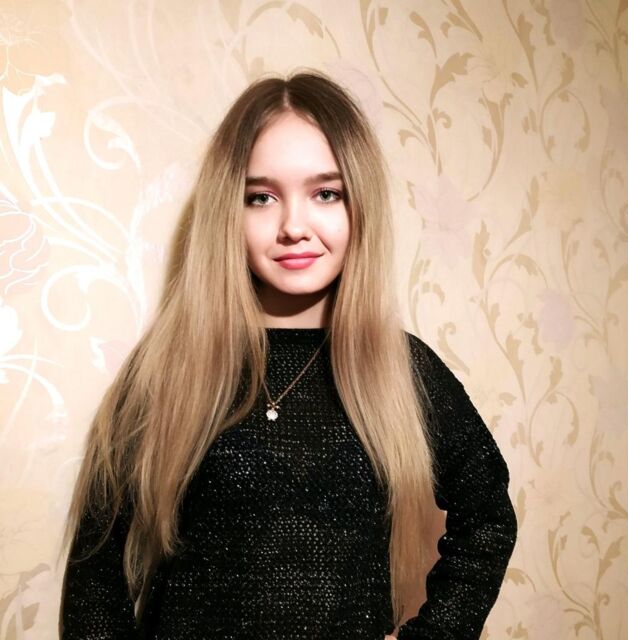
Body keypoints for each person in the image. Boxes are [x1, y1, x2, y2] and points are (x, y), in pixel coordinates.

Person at [57, 69, 518, 639]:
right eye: (262, 197)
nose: (294, 226)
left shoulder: (402, 369)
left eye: (326, 193)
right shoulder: (168, 367)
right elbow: (95, 578)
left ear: (360, 206)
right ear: (229, 211)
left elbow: (488, 517)